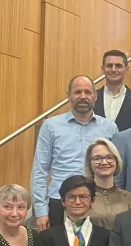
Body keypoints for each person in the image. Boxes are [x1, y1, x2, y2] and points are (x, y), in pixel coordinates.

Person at [32, 75, 117, 231]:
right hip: (59, 202)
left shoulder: (110, 127)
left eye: (87, 92)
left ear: (95, 96)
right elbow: (40, 170)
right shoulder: (51, 126)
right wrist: (41, 212)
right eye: (77, 92)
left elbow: (115, 167)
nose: (83, 96)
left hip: (96, 202)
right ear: (69, 96)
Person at [84, 139, 131, 229]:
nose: (104, 162)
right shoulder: (82, 197)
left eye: (109, 157)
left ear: (117, 162)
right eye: (97, 158)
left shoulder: (129, 198)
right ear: (89, 164)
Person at [94, 50, 131, 131]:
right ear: (103, 69)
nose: (113, 69)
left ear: (126, 69)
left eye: (118, 66)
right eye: (109, 65)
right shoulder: (92, 98)